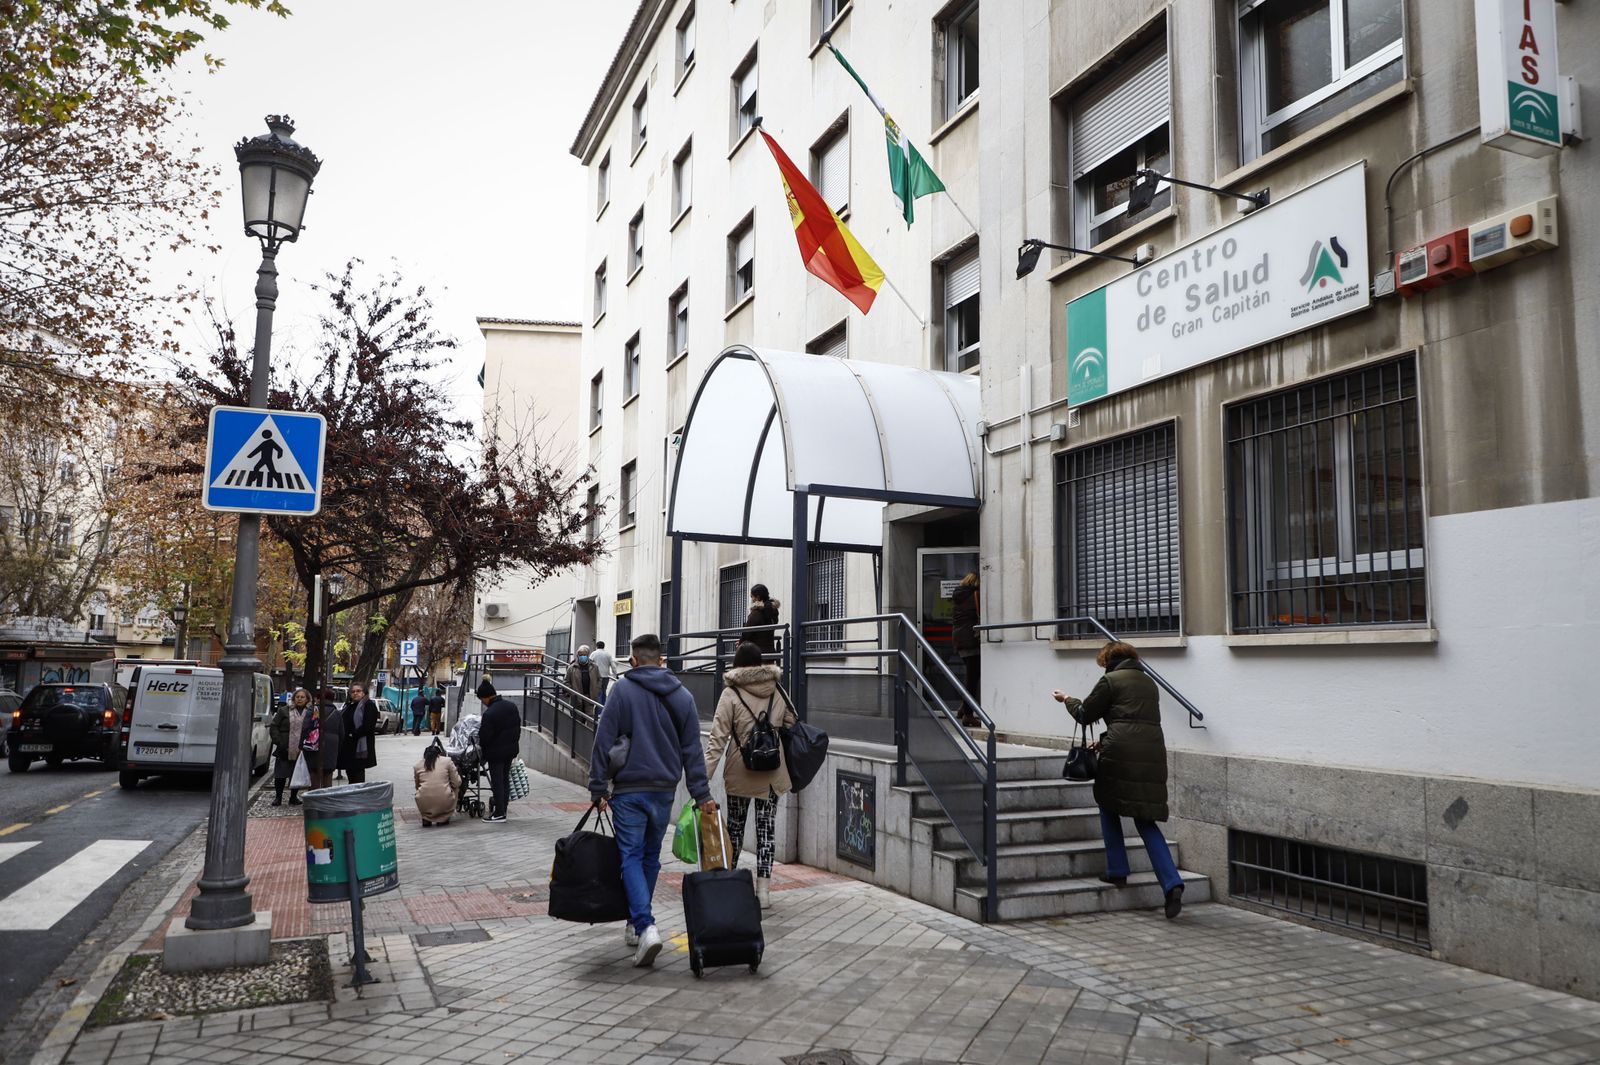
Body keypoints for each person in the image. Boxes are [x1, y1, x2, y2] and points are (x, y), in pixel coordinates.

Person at [588, 632, 715, 968]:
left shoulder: (622, 691)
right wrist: (702, 794)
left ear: (633, 661)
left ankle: (645, 927)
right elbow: (693, 751)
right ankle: (635, 923)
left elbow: (603, 740)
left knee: (629, 855)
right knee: (649, 856)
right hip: (664, 791)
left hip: (630, 790)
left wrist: (597, 787)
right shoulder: (684, 696)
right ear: (661, 661)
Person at [1053, 641, 1185, 920]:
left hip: (1120, 753)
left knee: (1108, 805)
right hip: (1151, 751)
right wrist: (1104, 742)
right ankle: (1172, 883)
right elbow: (1134, 722)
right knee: (1145, 819)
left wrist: (1067, 700)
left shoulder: (1110, 681)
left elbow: (1085, 714)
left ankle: (1117, 871)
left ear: (1107, 660)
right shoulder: (1149, 683)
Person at [704, 641, 797, 909]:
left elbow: (717, 739)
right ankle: (764, 892)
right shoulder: (776, 689)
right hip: (772, 774)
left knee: (735, 829)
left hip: (740, 771)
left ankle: (731, 885)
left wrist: (703, 778)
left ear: (737, 664)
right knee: (766, 830)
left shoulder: (730, 694)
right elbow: (791, 723)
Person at [475, 677, 521, 824]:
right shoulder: (511, 706)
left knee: (497, 783)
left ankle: (499, 813)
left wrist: (484, 751)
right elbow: (517, 729)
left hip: (496, 754)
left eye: (482, 699)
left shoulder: (489, 714)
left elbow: (484, 737)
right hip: (511, 750)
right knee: (505, 780)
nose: (482, 702)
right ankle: (503, 810)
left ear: (487, 697)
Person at [269, 688, 310, 806]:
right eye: (297, 697)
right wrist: (279, 741)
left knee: (295, 774)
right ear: (293, 698)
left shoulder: (310, 712)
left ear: (307, 699)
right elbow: (274, 726)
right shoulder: (284, 711)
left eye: (302, 697)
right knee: (280, 774)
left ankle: (293, 797)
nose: (299, 699)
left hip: (301, 748)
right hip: (284, 747)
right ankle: (278, 797)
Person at [951, 572, 982, 727]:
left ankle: (964, 707)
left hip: (959, 639)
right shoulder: (975, 595)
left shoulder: (958, 596)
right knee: (972, 678)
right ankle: (968, 714)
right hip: (971, 639)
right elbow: (978, 615)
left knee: (972, 676)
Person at [413, 738, 462, 827]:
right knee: (456, 787)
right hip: (444, 801)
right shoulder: (447, 761)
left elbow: (417, 786)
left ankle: (427, 817)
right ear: (439, 754)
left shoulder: (417, 765)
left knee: (423, 791)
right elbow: (457, 782)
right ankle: (443, 816)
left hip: (423, 803)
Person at [342, 682, 379, 785]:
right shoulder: (349, 706)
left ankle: (358, 797)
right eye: (353, 691)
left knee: (358, 773)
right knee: (350, 772)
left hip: (361, 745)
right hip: (349, 746)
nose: (355, 693)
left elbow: (368, 726)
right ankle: (351, 795)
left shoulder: (368, 705)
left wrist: (352, 734)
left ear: (364, 693)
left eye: (358, 691)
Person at [309, 688, 343, 791]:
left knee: (314, 775)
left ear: (318, 699)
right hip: (331, 749)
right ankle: (327, 799)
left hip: (314, 746)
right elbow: (342, 733)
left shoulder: (314, 711)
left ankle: (314, 800)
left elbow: (307, 728)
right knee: (328, 775)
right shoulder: (337, 713)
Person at [741, 584, 781, 656]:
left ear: (757, 597)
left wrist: (741, 642)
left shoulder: (757, 612)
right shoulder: (773, 611)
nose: (752, 599)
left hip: (755, 653)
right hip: (770, 651)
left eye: (752, 596)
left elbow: (747, 632)